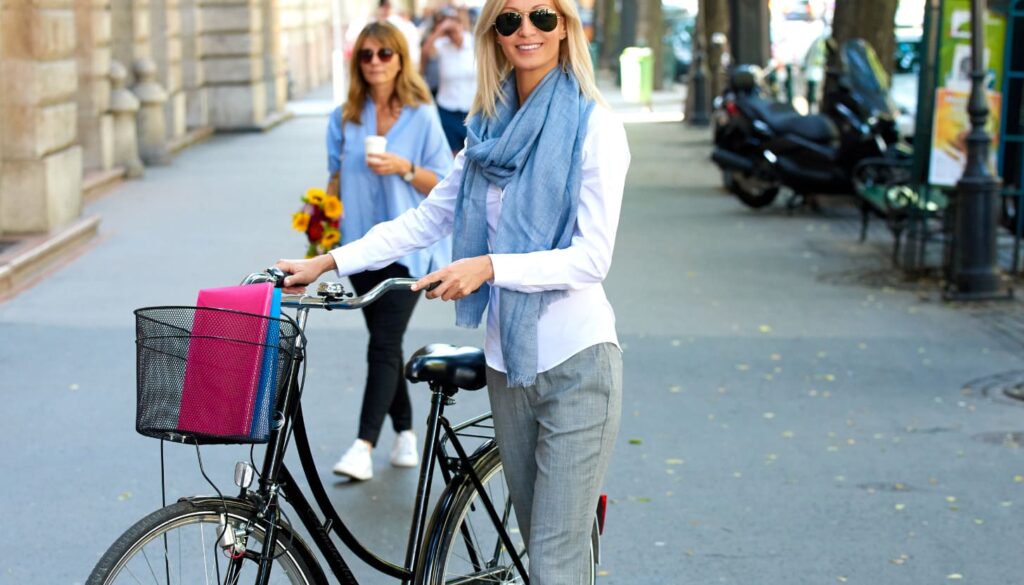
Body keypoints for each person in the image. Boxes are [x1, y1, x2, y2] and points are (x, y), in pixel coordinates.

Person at [277, 0, 629, 580]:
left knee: (553, 563)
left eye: (543, 16)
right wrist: (329, 261)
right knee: (537, 553)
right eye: (510, 18)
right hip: (508, 365)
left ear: (565, 27)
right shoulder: (486, 129)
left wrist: (490, 267)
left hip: (577, 365)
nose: (527, 31)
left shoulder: (595, 126)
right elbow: (424, 220)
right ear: (493, 32)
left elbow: (592, 258)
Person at [325, 21, 453, 481]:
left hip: (410, 249)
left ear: (401, 59)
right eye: (367, 55)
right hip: (360, 249)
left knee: (382, 342)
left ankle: (363, 445)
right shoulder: (343, 119)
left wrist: (404, 167)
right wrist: (320, 221)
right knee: (387, 344)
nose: (376, 62)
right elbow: (334, 183)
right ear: (357, 62)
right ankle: (406, 431)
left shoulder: (421, 115)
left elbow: (443, 183)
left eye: (385, 53)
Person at [421, 6, 477, 152]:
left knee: (472, 155)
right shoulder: (441, 45)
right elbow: (426, 52)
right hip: (447, 110)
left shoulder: (473, 43)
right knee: (452, 157)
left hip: (472, 111)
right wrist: (440, 31)